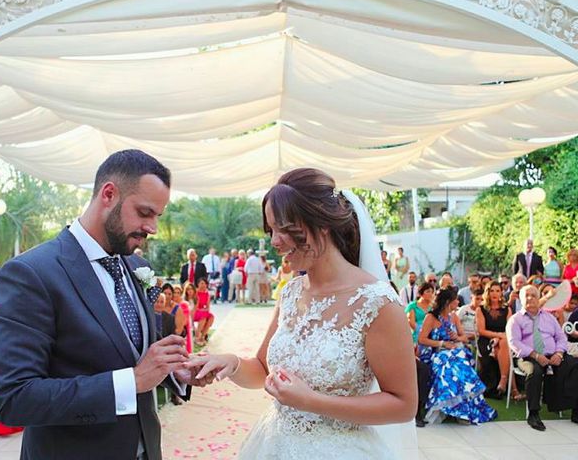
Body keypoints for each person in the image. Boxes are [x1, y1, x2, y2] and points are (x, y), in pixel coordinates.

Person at [0, 150, 214, 460]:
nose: (153, 228)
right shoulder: (32, 273)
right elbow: (13, 398)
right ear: (109, 194)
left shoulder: (137, 267)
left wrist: (174, 370)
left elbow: (133, 352)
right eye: (145, 212)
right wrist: (130, 381)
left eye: (157, 216)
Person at [185, 168, 417, 459]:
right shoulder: (291, 293)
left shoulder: (377, 303)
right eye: (271, 230)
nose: (274, 241)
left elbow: (404, 404)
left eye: (283, 228)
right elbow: (262, 369)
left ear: (321, 223)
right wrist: (229, 364)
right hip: (273, 444)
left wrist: (313, 402)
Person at [418, 288, 496, 425]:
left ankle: (463, 410)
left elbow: (464, 338)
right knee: (448, 367)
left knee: (461, 367)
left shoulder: (453, 316)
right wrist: (442, 343)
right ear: (448, 302)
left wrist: (457, 337)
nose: (458, 301)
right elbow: (422, 339)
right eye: (455, 300)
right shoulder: (430, 317)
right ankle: (448, 407)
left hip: (455, 351)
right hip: (436, 353)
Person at [507, 285, 578, 430]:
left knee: (574, 365)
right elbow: (514, 342)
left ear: (539, 298)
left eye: (533, 295)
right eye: (526, 295)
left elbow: (561, 337)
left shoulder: (549, 318)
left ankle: (575, 409)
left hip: (553, 355)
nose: (530, 298)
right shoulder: (516, 319)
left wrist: (559, 353)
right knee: (535, 371)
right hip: (528, 356)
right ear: (520, 299)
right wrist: (535, 355)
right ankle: (533, 414)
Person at [475, 281, 523, 400]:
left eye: (497, 290)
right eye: (492, 291)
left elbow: (510, 328)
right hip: (486, 340)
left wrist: (501, 337)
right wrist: (497, 336)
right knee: (505, 344)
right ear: (487, 293)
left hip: (503, 340)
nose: (495, 293)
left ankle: (503, 380)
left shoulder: (507, 309)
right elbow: (481, 330)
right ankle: (513, 389)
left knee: (504, 343)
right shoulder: (481, 309)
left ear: (501, 293)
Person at [193, 278, 215, 346]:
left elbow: (208, 307)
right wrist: (202, 310)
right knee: (204, 316)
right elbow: (194, 307)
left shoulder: (207, 294)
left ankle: (202, 336)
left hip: (202, 311)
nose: (203, 285)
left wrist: (203, 310)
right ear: (198, 284)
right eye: (201, 283)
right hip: (194, 312)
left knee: (211, 316)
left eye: (205, 284)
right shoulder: (195, 292)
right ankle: (197, 336)